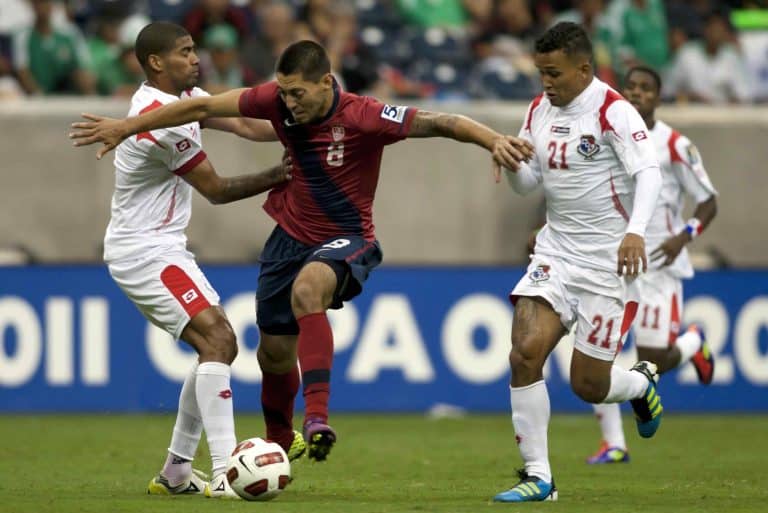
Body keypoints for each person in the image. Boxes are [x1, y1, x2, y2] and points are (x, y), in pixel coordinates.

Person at [69, 39, 534, 464]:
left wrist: (493, 139)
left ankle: (317, 417)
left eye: (298, 95)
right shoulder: (276, 100)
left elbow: (441, 121)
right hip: (287, 237)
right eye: (284, 93)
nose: (289, 104)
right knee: (271, 354)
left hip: (348, 237)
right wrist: (126, 127)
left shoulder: (363, 115)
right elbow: (205, 105)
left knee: (309, 290)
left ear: (327, 83)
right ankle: (280, 437)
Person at [77, 21, 291, 498]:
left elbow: (240, 122)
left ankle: (176, 471)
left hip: (163, 246)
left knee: (216, 344)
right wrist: (282, 174)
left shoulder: (183, 102)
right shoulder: (160, 122)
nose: (196, 58)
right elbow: (216, 190)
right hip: (144, 250)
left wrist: (293, 129)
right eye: (186, 51)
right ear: (157, 62)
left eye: (194, 50)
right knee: (218, 338)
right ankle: (225, 472)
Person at [494, 22, 664, 502]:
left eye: (555, 73)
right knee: (524, 351)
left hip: (607, 265)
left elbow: (648, 173)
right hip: (555, 253)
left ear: (584, 68)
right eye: (541, 72)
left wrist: (634, 232)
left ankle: (639, 384)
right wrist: (511, 162)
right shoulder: (538, 109)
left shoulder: (614, 110)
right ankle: (538, 477)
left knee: (588, 385)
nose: (546, 83)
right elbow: (530, 183)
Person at [586, 65, 717, 465]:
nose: (638, 93)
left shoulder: (675, 144)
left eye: (647, 88)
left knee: (652, 361)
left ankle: (692, 341)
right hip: (613, 261)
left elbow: (708, 201)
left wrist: (685, 236)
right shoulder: (607, 137)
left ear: (659, 98)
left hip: (659, 263)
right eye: (632, 87)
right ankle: (614, 443)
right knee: (596, 352)